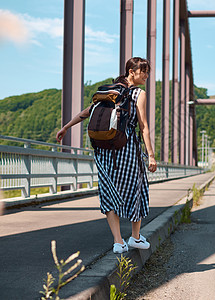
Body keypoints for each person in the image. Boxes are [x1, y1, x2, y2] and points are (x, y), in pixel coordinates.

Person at [56, 57, 157, 254]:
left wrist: (66, 126)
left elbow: (88, 111)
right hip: (126, 148)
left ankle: (118, 242)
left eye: (147, 71)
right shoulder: (138, 93)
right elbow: (143, 127)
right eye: (143, 71)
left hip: (103, 150)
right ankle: (135, 237)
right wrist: (151, 156)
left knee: (108, 191)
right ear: (131, 72)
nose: (146, 75)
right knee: (138, 189)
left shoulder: (108, 91)